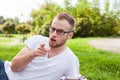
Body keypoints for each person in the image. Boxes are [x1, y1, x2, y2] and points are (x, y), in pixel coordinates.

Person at [0, 12, 81, 80]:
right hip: (4, 70)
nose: (53, 34)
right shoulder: (37, 40)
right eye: (52, 29)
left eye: (60, 32)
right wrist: (33, 54)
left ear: (70, 35)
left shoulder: (71, 60)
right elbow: (13, 67)